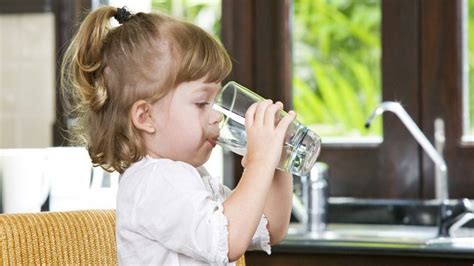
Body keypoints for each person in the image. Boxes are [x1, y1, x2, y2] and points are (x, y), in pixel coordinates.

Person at [61, 5, 296, 265]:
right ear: (145, 117)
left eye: (215, 100)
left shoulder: (190, 176)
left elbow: (272, 226)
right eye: (201, 103)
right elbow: (228, 241)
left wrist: (277, 161)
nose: (217, 115)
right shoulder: (153, 181)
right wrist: (258, 163)